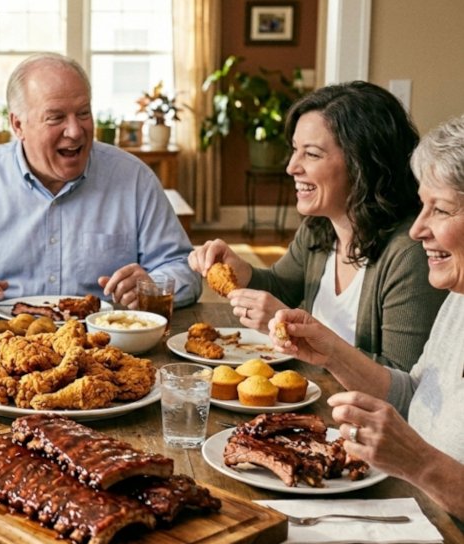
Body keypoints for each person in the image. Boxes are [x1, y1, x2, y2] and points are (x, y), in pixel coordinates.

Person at [268, 114, 464, 520]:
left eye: (440, 210)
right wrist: (332, 353)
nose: (417, 229)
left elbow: (422, 456)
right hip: (416, 512)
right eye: (422, 205)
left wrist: (419, 462)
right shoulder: (458, 300)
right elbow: (417, 396)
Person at [0, 53, 200, 310]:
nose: (75, 130)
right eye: (56, 118)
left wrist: (152, 288)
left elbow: (185, 270)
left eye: (83, 113)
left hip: (108, 349)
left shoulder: (134, 179)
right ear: (18, 125)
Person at [189, 81, 447, 371]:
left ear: (363, 162)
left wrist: (298, 331)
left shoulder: (411, 253)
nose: (291, 167)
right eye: (295, 150)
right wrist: (243, 271)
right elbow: (281, 288)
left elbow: (402, 381)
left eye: (311, 154)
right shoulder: (319, 228)